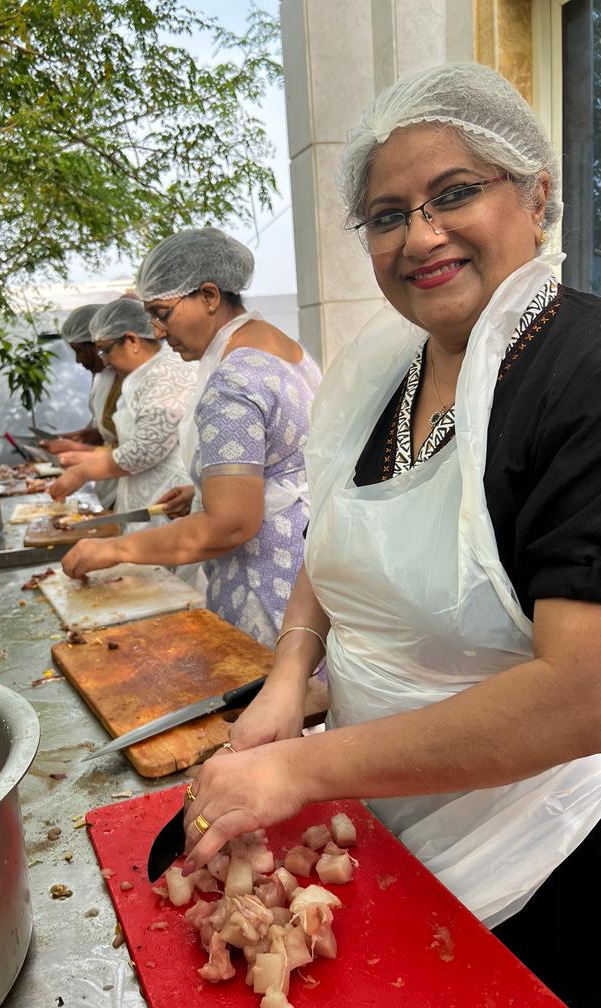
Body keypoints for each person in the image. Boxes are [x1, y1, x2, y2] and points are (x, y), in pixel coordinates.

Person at [178, 64, 601, 1005]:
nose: (421, 235)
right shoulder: (387, 372)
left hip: (542, 847)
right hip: (379, 812)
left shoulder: (581, 373)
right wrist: (291, 677)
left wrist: (305, 766)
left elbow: (584, 692)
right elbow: (337, 541)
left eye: (454, 193)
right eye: (386, 214)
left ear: (536, 193)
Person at [60, 228, 321, 646]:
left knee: (267, 698)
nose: (158, 332)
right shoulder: (282, 347)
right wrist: (200, 491)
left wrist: (113, 551)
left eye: (162, 313)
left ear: (209, 296)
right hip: (304, 563)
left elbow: (230, 524)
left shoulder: (233, 380)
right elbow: (279, 461)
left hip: (266, 583)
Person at [49, 298, 196, 529]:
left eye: (105, 351)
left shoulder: (168, 374)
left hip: (168, 500)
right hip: (146, 500)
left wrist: (82, 471)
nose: (104, 361)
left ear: (132, 340)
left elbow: (145, 449)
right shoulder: (141, 376)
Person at [41, 303, 123, 508]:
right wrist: (87, 435)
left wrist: (79, 451)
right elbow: (113, 428)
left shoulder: (137, 378)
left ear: (98, 343)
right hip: (113, 482)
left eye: (80, 350)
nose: (78, 360)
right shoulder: (103, 378)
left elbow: (140, 448)